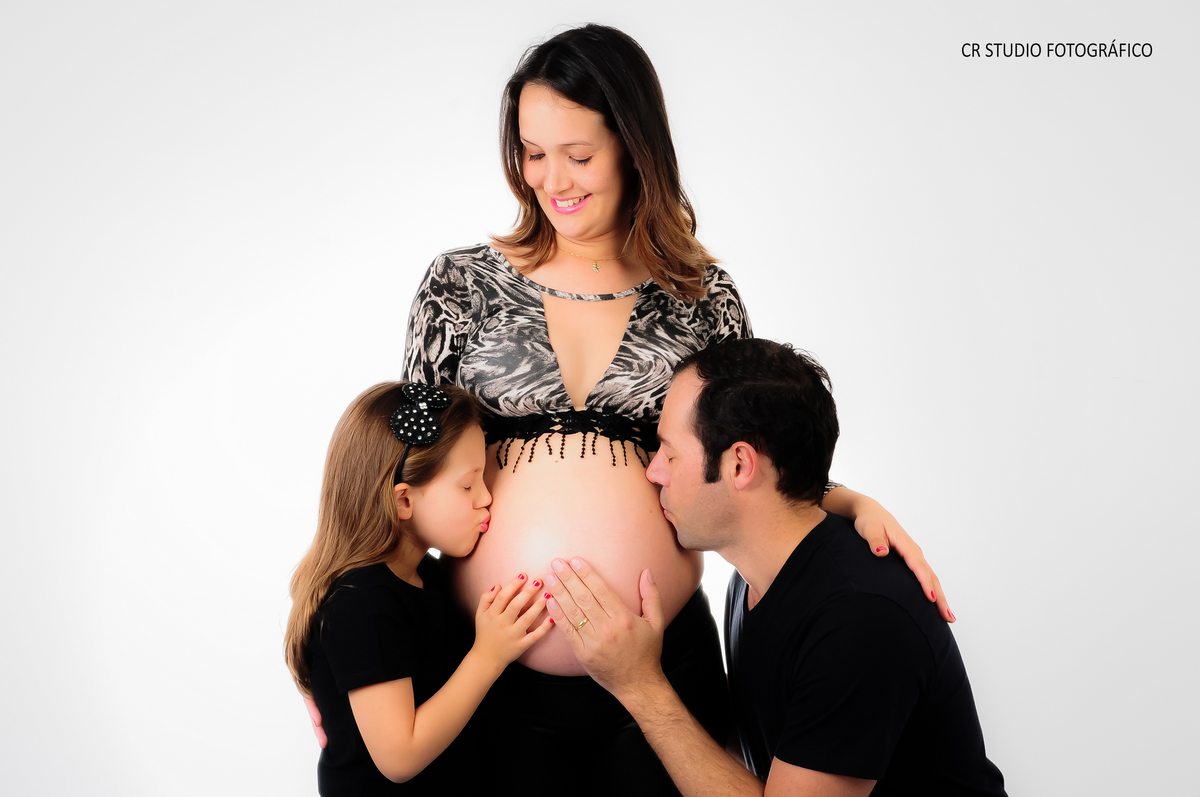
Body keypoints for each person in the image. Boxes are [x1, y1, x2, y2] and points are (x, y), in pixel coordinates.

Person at [311, 24, 951, 794]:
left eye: (578, 155)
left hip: (663, 663)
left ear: (634, 144)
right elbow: (399, 465)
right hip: (486, 671)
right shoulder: (460, 286)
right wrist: (330, 643)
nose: (552, 180)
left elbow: (753, 453)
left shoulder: (701, 296)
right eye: (532, 153)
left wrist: (850, 502)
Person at [542, 338, 1007, 796]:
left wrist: (640, 686)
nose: (654, 472)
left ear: (739, 465)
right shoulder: (754, 581)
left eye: (669, 452)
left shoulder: (859, 617)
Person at [284, 382, 553, 795]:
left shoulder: (427, 576)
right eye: (468, 485)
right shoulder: (361, 602)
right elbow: (399, 757)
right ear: (404, 501)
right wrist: (488, 655)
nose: (486, 498)